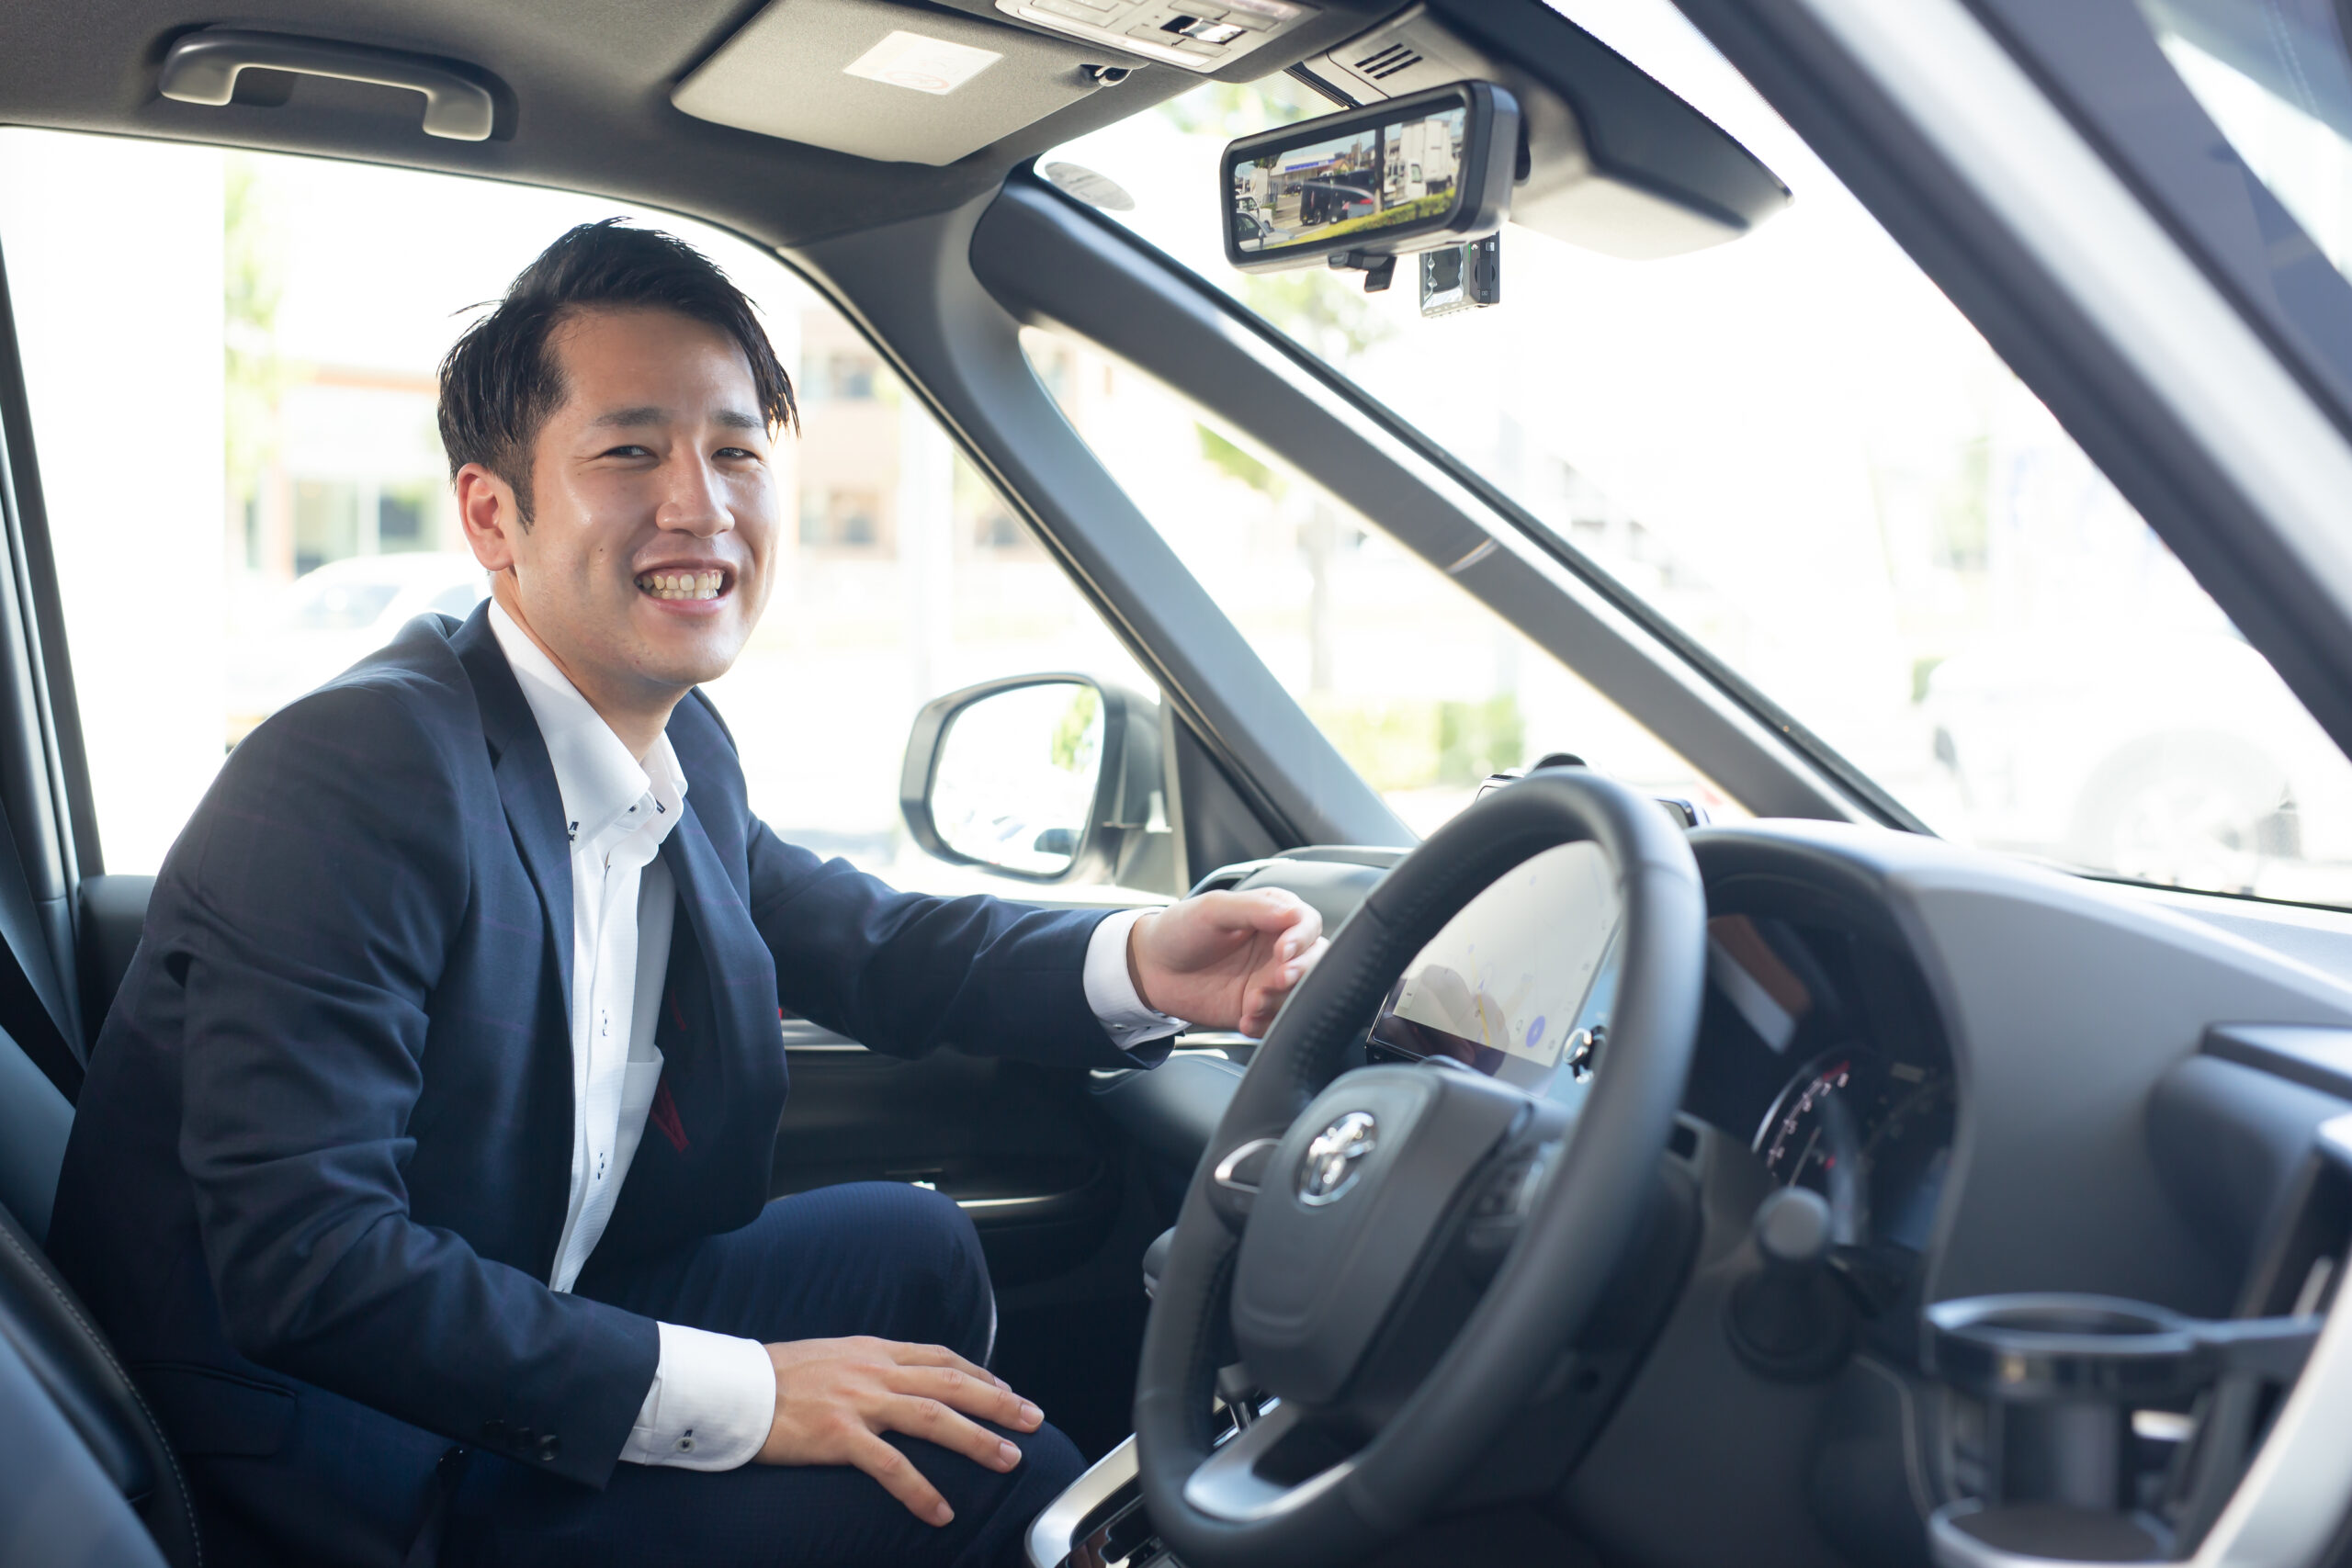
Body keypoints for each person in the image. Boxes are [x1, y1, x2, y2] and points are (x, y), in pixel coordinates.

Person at [48, 220, 1326, 1568]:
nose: (700, 506)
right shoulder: (360, 772)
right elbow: (310, 1264)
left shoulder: (672, 745)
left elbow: (864, 940)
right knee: (990, 1482)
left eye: (735, 452)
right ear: (492, 515)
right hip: (338, 1460)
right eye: (629, 453)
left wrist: (1146, 962)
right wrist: (758, 1398)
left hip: (515, 1311)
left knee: (916, 1247)